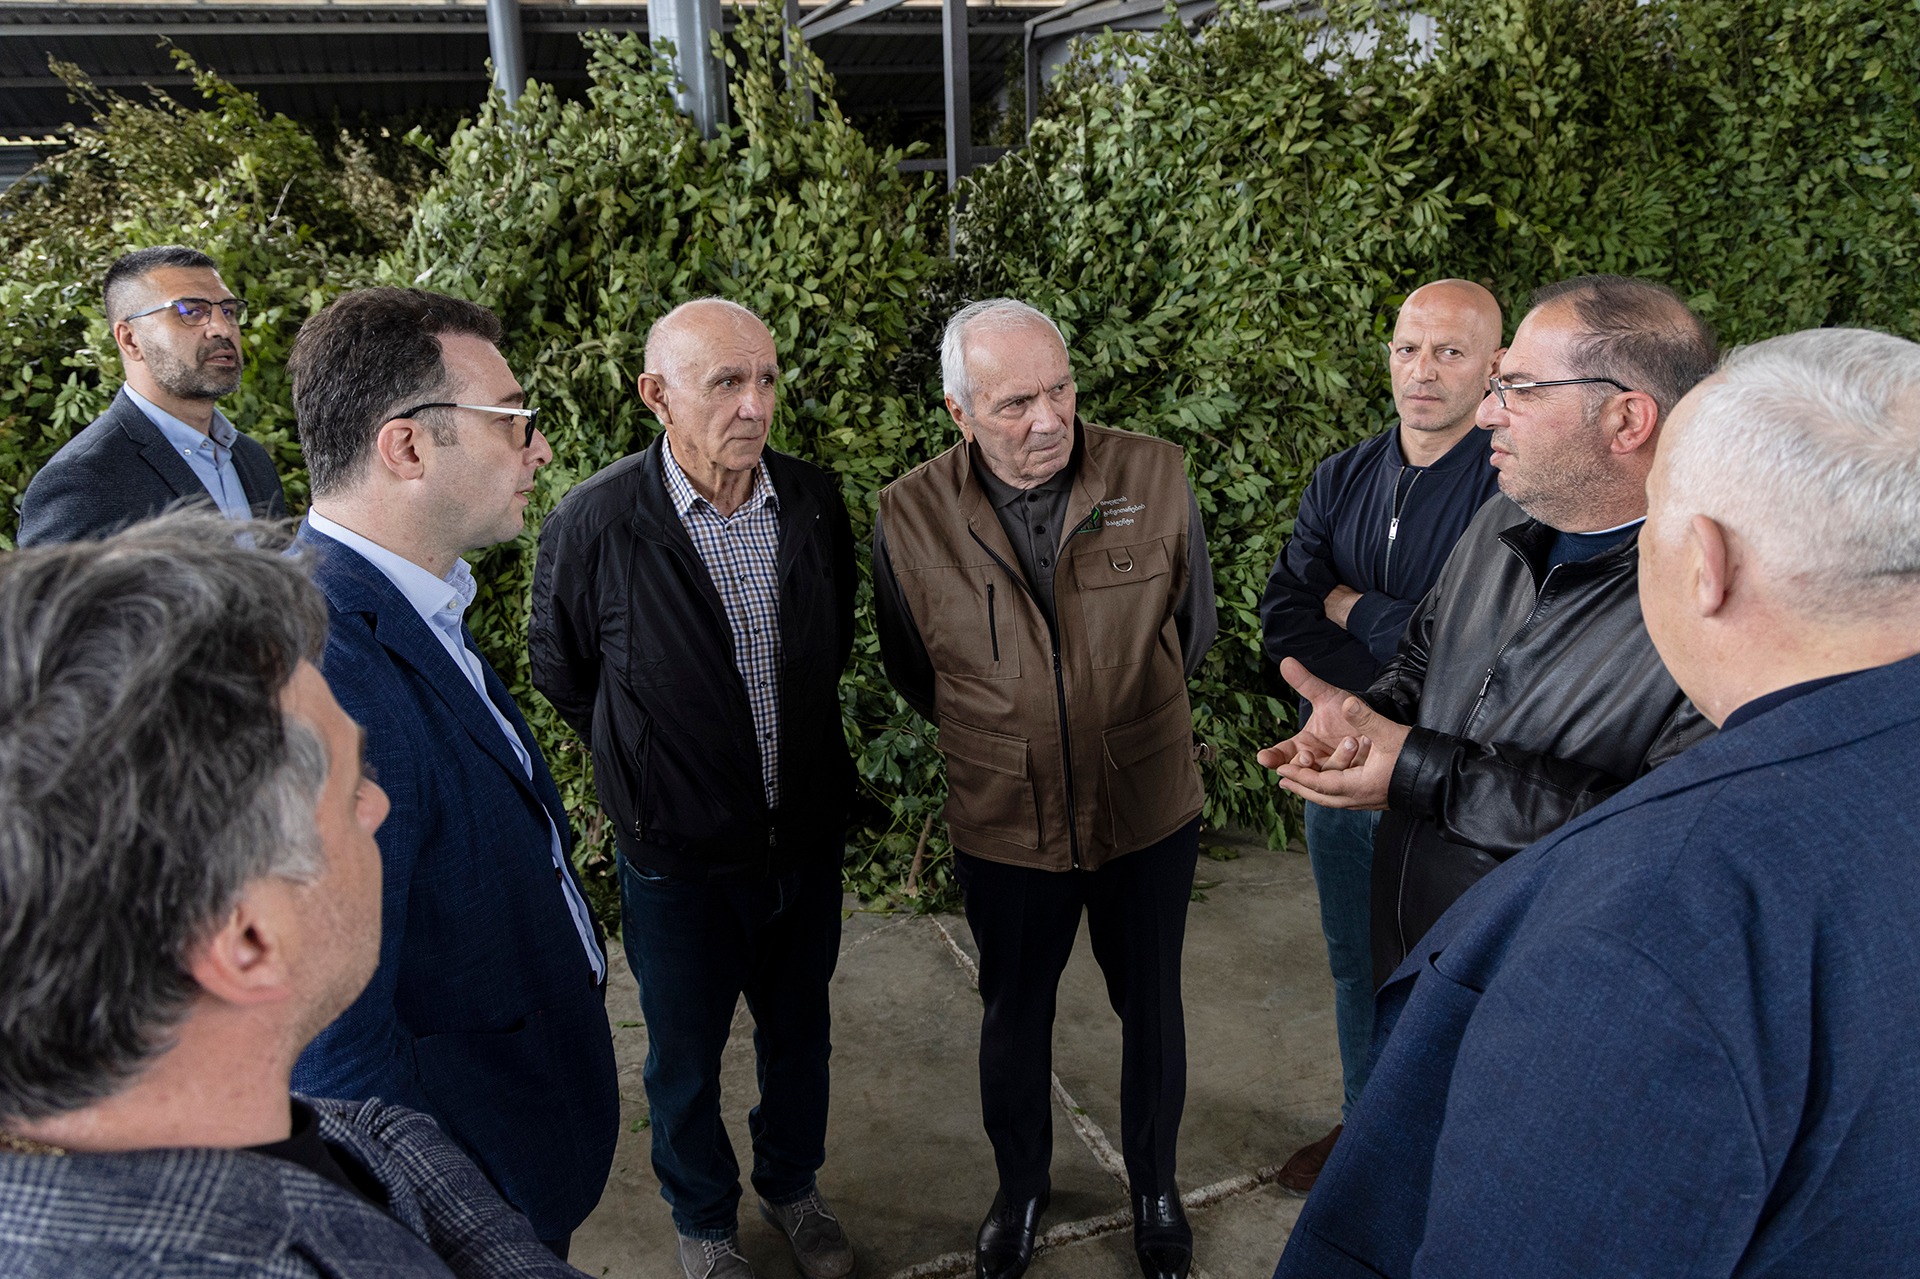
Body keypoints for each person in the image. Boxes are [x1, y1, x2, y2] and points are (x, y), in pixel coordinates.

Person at [1273, 327, 1920, 1278]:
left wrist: (1424, 770)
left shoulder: (1644, 930)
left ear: (1704, 564)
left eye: (1657, 521)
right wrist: (1383, 727)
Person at [0, 513, 585, 1279]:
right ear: (247, 938)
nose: (378, 806)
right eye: (350, 789)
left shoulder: (310, 1134)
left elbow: (393, 1162)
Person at [872, 298, 1218, 1279]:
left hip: (1143, 806)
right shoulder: (909, 514)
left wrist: (1108, 719)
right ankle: (1019, 1190)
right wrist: (1015, 728)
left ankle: (1155, 1188)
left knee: (1153, 1008)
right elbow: (915, 666)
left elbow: (1190, 629)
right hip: (1005, 817)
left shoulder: (1154, 475)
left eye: (1060, 389)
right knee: (1014, 1014)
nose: (1049, 418)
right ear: (960, 413)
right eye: (1015, 402)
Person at [285, 287, 618, 1256]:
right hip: (474, 1188)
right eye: (512, 420)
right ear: (406, 447)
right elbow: (331, 1048)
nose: (538, 449)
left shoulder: (410, 600)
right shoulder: (323, 671)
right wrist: (456, 1239)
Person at [1260, 274, 1716, 982]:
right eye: (1501, 386)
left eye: (1520, 388)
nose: (1486, 414)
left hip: (1539, 986)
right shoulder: (1503, 514)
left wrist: (1421, 771)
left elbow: (1660, 839)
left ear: (1626, 420)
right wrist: (1366, 721)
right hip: (1416, 953)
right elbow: (1423, 658)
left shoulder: (1714, 604)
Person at [531, 298, 858, 1279]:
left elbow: (831, 644)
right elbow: (564, 669)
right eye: (725, 382)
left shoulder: (812, 500)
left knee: (801, 1037)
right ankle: (704, 1220)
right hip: (677, 857)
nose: (753, 405)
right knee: (683, 1055)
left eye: (765, 379)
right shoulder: (596, 519)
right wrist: (651, 767)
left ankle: (792, 1184)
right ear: (657, 395)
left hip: (802, 842)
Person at [1256, 279, 1504, 1191]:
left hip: (1450, 776)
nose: (1422, 370)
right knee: (1355, 959)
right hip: (1337, 761)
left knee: (1455, 966)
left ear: (1494, 367)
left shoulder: (1509, 486)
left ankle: (1454, 1150)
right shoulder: (1343, 475)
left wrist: (1354, 604)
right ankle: (1366, 1131)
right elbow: (1285, 611)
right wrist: (1350, 695)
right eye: (1408, 348)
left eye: (1449, 352)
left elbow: (1480, 644)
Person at [17, 246, 286, 545]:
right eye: (191, 311)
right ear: (130, 340)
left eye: (228, 311)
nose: (222, 328)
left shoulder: (251, 458)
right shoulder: (82, 480)